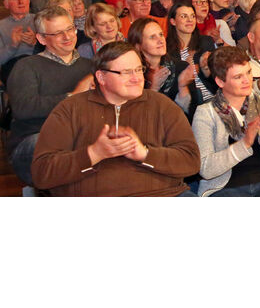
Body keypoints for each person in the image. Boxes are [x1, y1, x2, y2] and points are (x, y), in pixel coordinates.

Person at [31, 41, 200, 196]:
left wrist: (145, 154)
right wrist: (94, 153)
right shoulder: (70, 109)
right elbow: (42, 173)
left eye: (139, 69)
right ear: (101, 77)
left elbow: (191, 161)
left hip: (163, 195)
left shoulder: (162, 105)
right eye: (126, 72)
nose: (136, 78)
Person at [191, 46, 260, 197]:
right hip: (224, 189)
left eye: (248, 72)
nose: (247, 80)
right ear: (220, 82)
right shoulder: (205, 113)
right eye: (238, 77)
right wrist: (245, 143)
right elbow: (205, 169)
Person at [6, 6, 96, 185]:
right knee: (57, 144)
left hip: (82, 134)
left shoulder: (91, 66)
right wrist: (72, 96)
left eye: (70, 29)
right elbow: (23, 108)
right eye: (58, 33)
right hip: (36, 136)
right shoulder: (27, 66)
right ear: (41, 38)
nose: (67, 37)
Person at [127, 17, 196, 116]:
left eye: (161, 35)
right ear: (138, 46)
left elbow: (192, 113)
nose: (160, 40)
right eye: (152, 37)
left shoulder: (181, 67)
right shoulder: (132, 75)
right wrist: (154, 88)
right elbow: (135, 114)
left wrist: (182, 87)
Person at [166, 0, 217, 103]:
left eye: (192, 16)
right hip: (188, 102)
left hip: (213, 97)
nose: (190, 20)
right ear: (173, 21)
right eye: (184, 16)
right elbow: (170, 87)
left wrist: (206, 70)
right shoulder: (166, 49)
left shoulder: (206, 42)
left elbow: (219, 78)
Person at [0, 0, 37, 80]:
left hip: (38, 63)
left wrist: (35, 43)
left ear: (29, 1)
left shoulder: (40, 20)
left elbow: (53, 50)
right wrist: (13, 46)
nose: (21, 2)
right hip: (12, 67)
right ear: (6, 4)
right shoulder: (1, 26)